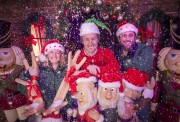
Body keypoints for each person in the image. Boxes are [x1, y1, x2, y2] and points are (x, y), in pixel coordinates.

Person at [43, 19, 120, 115]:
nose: (90, 43)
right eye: (87, 39)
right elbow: (69, 75)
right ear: (82, 41)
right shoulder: (77, 56)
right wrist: (81, 72)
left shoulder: (106, 53)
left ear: (98, 39)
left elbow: (115, 68)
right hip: (85, 97)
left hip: (104, 95)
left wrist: (98, 69)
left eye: (93, 39)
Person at [18, 40, 69, 122]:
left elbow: (71, 91)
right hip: (43, 112)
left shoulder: (66, 69)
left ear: (61, 54)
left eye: (57, 52)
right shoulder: (39, 69)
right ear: (46, 55)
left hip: (63, 112)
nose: (54, 55)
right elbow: (22, 87)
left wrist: (67, 107)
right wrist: (28, 73)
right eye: (51, 52)